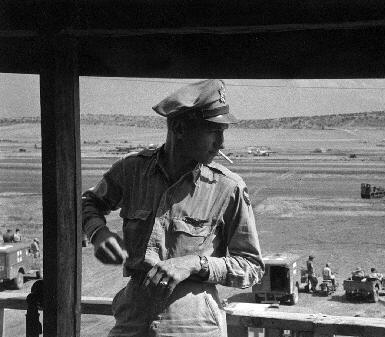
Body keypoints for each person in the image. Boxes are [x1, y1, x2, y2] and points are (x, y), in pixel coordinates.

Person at [82, 79, 264, 337]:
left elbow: (251, 266)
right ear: (179, 128)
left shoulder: (228, 187)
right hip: (133, 323)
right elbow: (87, 203)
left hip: (194, 328)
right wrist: (98, 233)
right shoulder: (132, 171)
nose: (221, 143)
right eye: (214, 131)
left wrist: (194, 264)